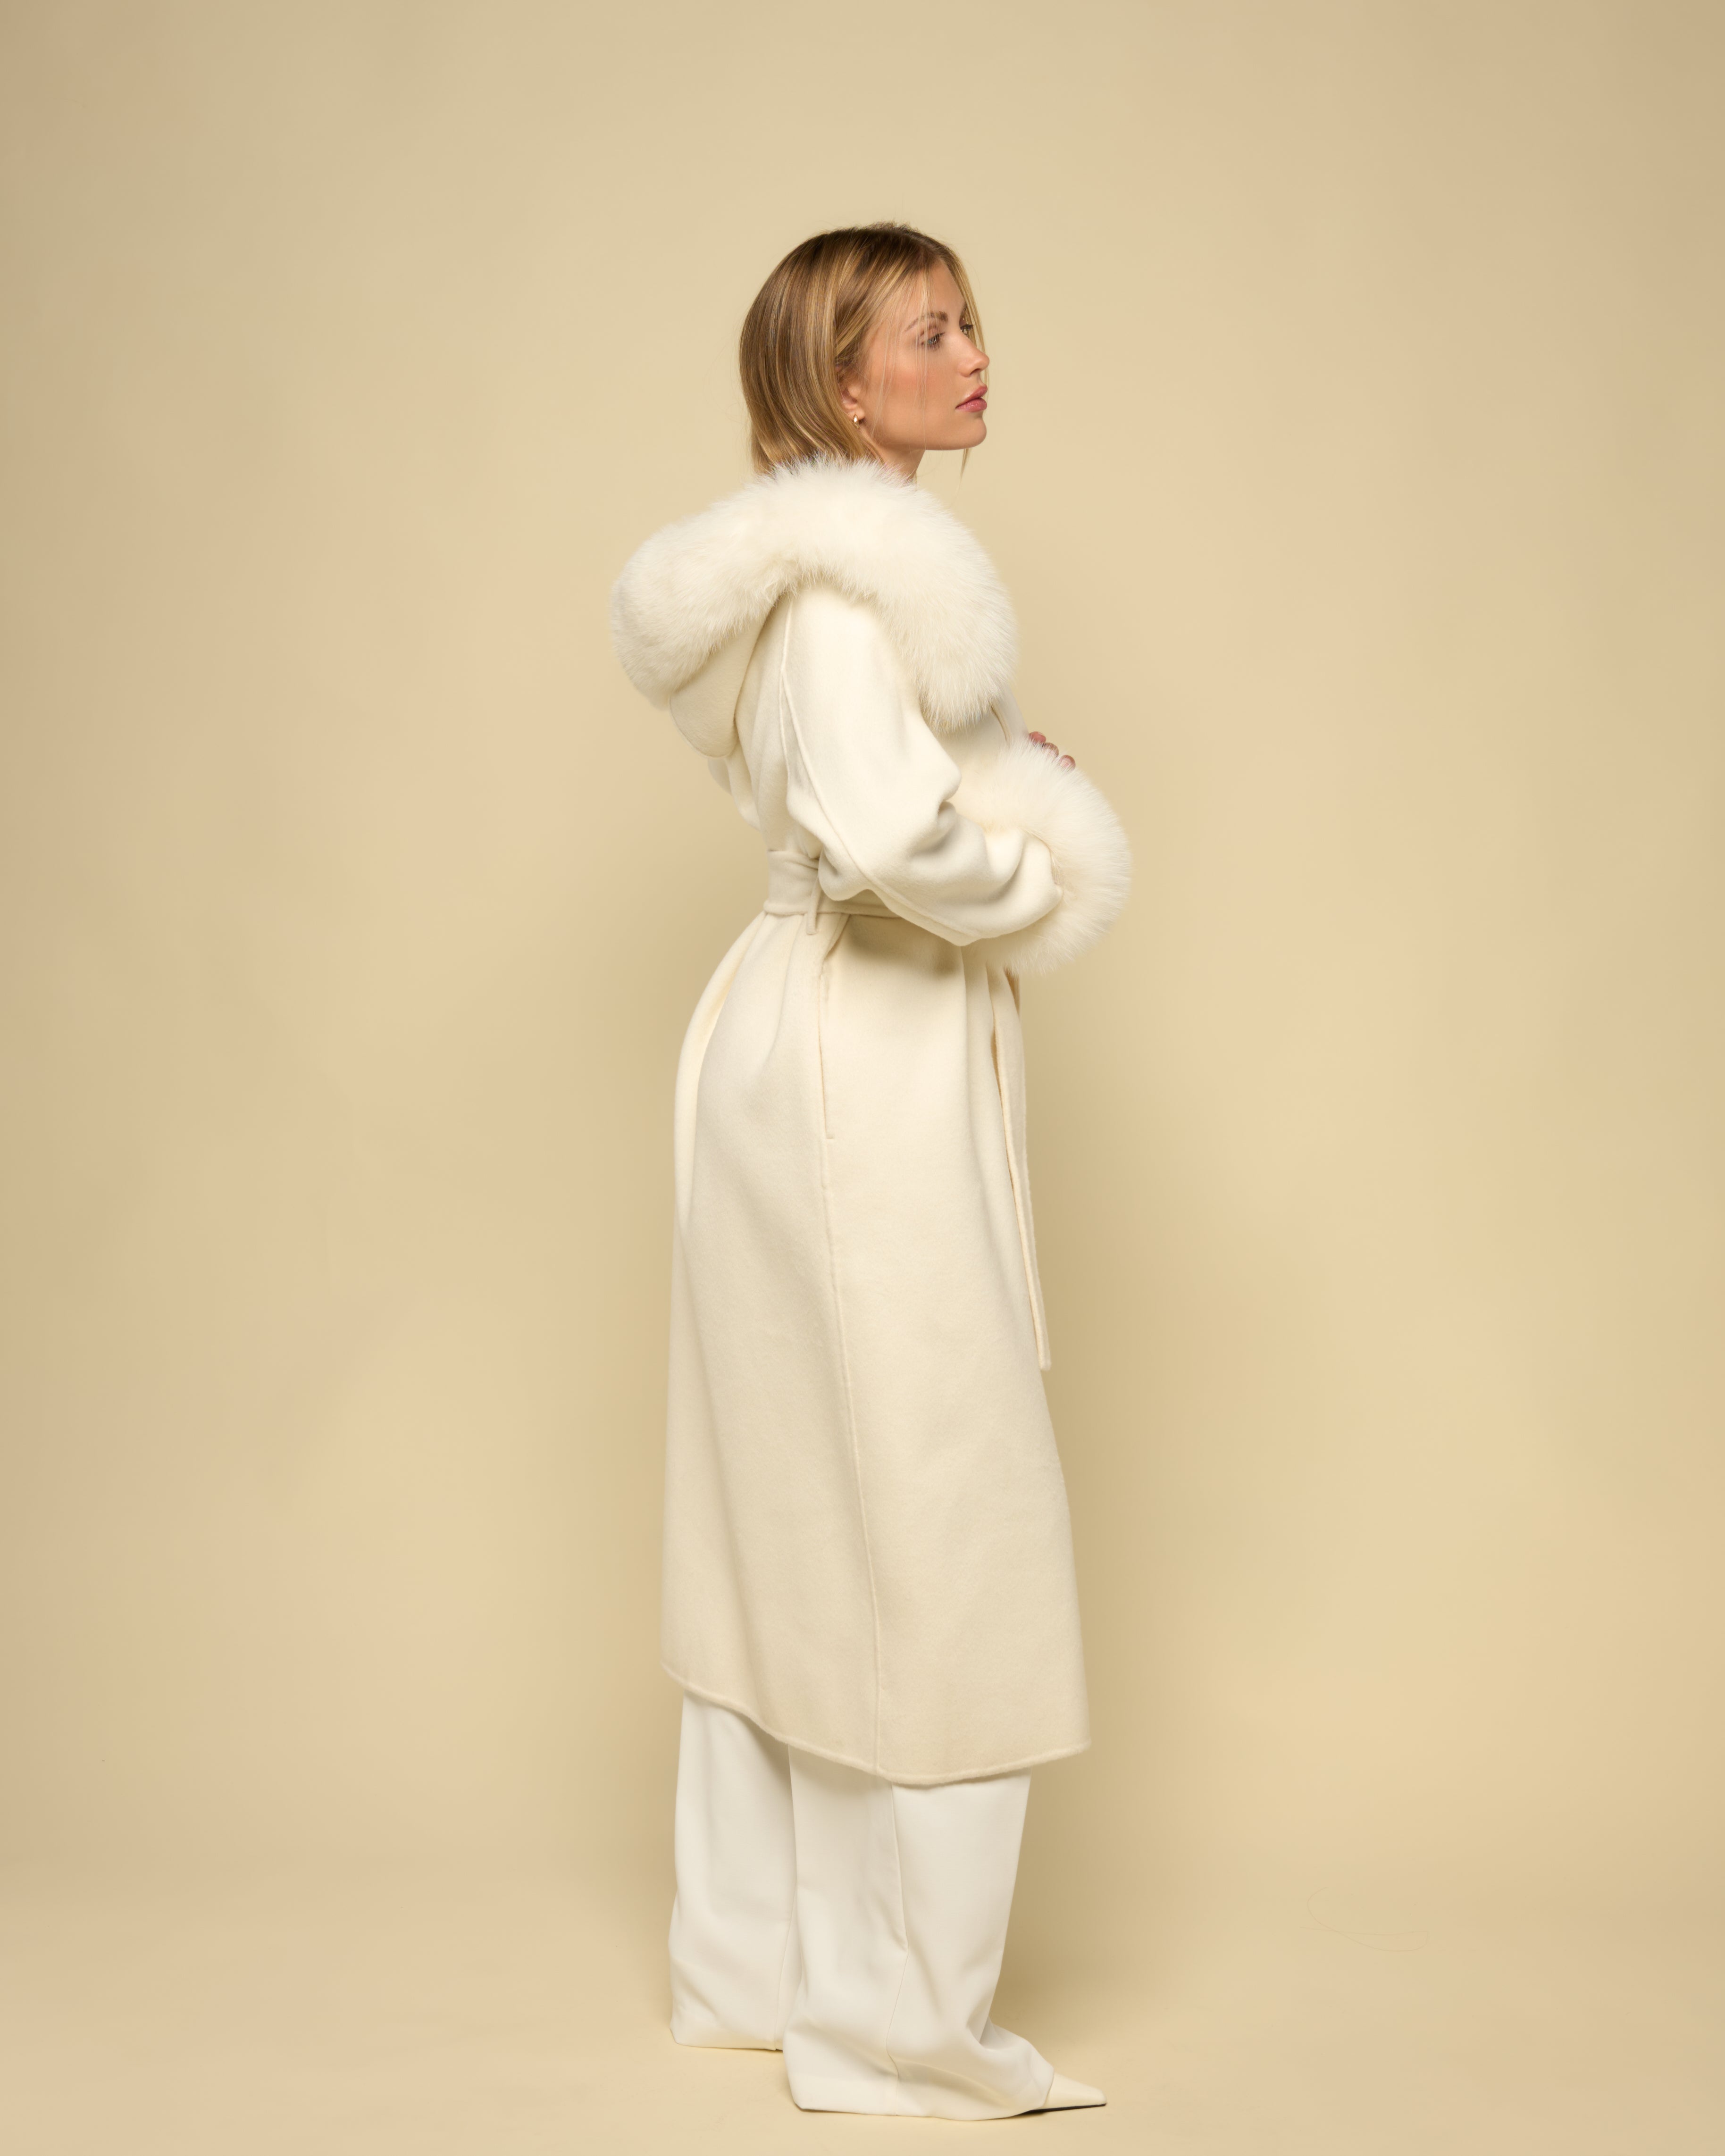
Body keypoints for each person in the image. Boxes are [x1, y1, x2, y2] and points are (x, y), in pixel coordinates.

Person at [609, 223, 1130, 2119]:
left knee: (802, 1497)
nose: (975, 352)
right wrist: (1033, 852)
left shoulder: (828, 581)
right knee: (926, 1503)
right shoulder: (848, 594)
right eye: (931, 330)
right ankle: (895, 2020)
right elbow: (893, 836)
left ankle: (762, 1964)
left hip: (812, 1036)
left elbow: (863, 793)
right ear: (843, 383)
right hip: (860, 1052)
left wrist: (974, 769)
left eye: (972, 318)